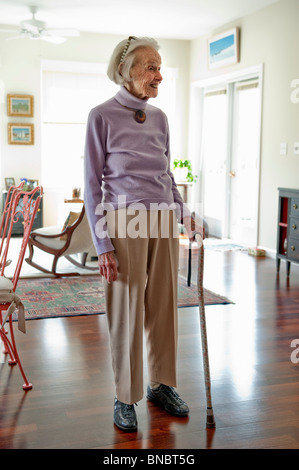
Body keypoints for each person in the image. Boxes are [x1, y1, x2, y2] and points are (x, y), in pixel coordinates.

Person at [84, 36, 203, 432]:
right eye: (150, 67)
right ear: (127, 71)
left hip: (163, 220)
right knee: (127, 310)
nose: (159, 75)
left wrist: (185, 214)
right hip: (124, 223)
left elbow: (166, 175)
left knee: (163, 305)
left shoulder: (160, 118)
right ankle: (125, 395)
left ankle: (161, 384)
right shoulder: (101, 116)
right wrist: (102, 245)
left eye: (159, 66)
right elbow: (91, 184)